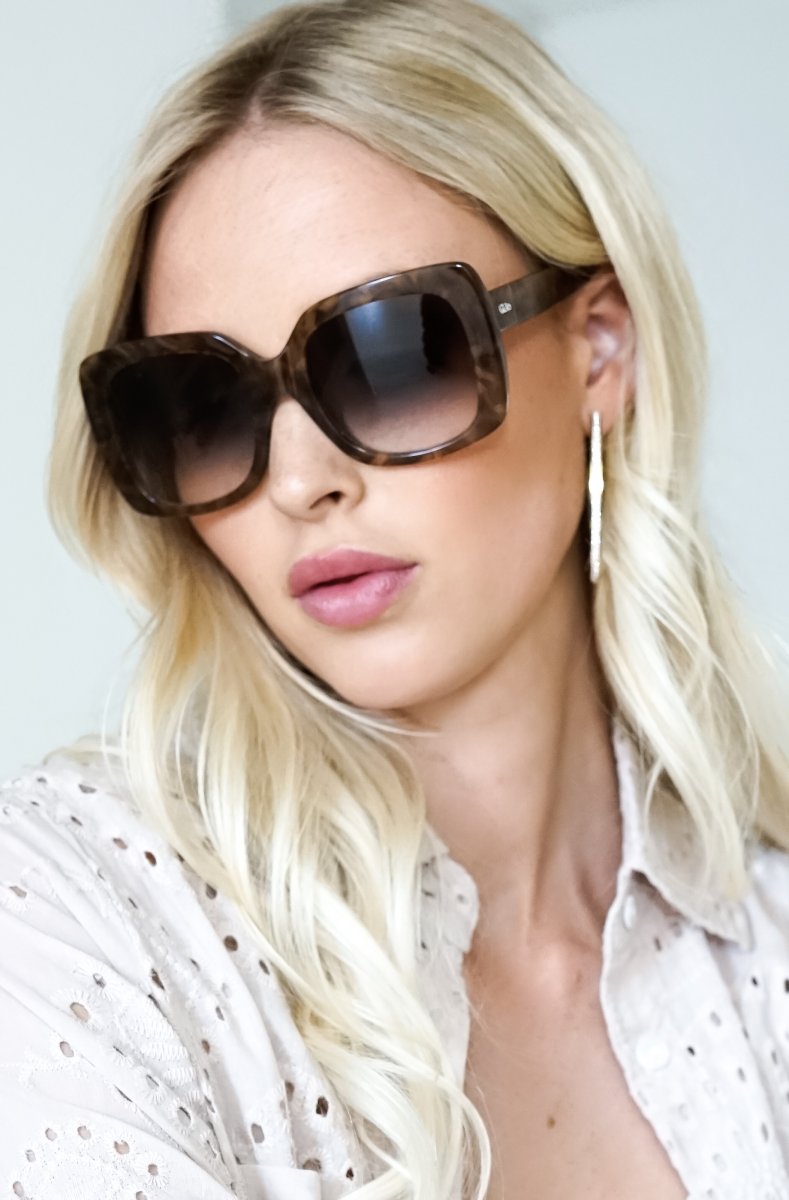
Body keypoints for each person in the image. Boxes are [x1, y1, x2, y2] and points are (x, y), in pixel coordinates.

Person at [2, 0, 788, 1196]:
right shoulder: (80, 923)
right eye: (205, 406)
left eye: (388, 356)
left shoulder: (765, 934)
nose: (299, 481)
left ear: (600, 350)